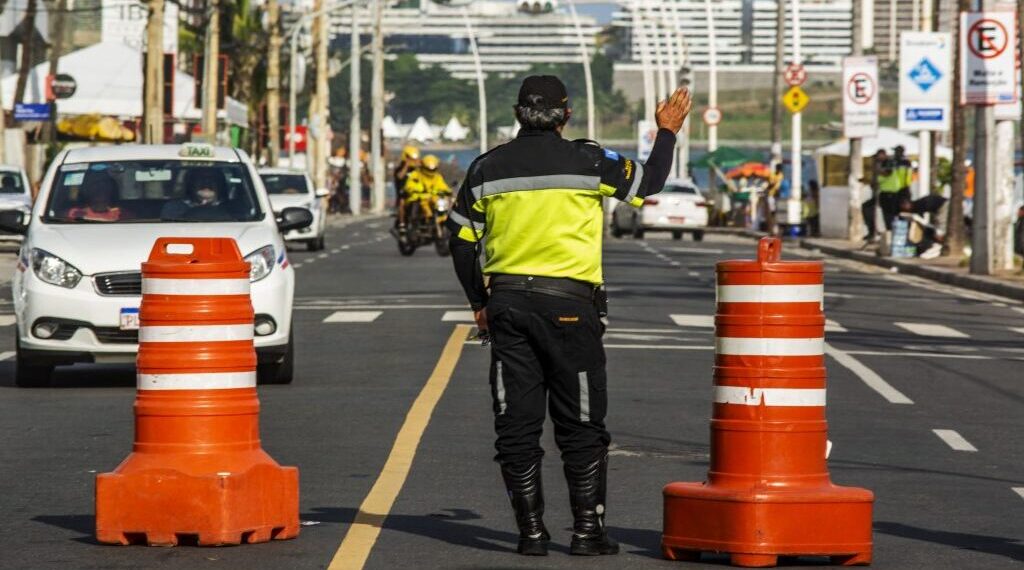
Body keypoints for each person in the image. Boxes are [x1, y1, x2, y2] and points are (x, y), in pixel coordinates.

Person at [447, 75, 691, 557]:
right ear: (567, 116)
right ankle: (586, 532)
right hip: (571, 310)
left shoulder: (486, 168)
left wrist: (479, 302)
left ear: (518, 114)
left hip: (509, 307)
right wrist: (667, 130)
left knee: (517, 425)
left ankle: (531, 533)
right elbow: (651, 182)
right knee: (580, 423)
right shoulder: (591, 161)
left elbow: (460, 242)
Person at [161, 168, 229, 221]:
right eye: (201, 178)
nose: (206, 183)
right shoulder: (174, 208)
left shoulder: (231, 208)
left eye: (212, 179)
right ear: (190, 183)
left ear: (220, 184)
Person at [402, 154, 450, 224]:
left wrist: (448, 191)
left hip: (433, 198)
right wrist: (416, 189)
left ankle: (441, 219)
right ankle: (420, 221)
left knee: (442, 204)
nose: (430, 171)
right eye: (428, 169)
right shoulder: (416, 174)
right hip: (418, 199)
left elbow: (443, 186)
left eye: (433, 169)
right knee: (419, 205)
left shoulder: (437, 177)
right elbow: (409, 185)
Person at [395, 145, 421, 229]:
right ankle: (402, 223)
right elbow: (399, 176)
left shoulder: (418, 170)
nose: (413, 161)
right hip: (405, 195)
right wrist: (406, 165)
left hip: (419, 194)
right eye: (410, 158)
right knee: (401, 203)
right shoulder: (400, 169)